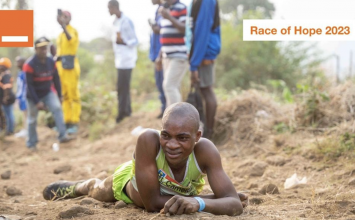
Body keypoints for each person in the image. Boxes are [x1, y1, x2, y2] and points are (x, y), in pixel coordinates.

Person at [43, 102, 248, 216]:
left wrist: (199, 202)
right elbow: (152, 204)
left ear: (197, 137)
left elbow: (234, 205)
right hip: (131, 187)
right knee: (97, 190)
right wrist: (212, 200)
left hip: (179, 195)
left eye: (183, 138)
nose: (172, 144)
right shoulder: (149, 141)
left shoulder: (205, 151)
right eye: (166, 135)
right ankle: (79, 186)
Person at [24, 37, 73, 149]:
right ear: (36, 49)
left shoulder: (51, 62)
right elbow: (29, 86)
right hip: (33, 95)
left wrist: (60, 95)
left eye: (45, 48)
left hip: (47, 92)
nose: (44, 50)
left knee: (57, 108)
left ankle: (63, 136)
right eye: (41, 48)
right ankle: (31, 143)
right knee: (32, 119)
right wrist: (37, 102)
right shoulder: (29, 64)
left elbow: (56, 79)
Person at [187, 0, 221, 139]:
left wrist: (194, 64)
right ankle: (203, 129)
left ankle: (209, 133)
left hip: (204, 52)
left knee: (207, 90)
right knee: (202, 90)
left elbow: (202, 31)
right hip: (199, 52)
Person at [108, 0, 138, 123]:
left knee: (122, 87)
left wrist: (124, 42)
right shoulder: (115, 22)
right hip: (119, 59)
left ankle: (122, 114)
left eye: (109, 8)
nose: (108, 11)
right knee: (123, 86)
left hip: (127, 59)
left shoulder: (127, 21)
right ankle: (127, 111)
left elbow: (135, 40)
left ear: (115, 8)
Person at [156, 0, 188, 107]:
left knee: (169, 86)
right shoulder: (165, 9)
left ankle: (175, 118)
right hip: (167, 56)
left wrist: (169, 17)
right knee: (172, 88)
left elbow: (185, 29)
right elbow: (164, 36)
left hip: (179, 55)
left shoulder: (182, 7)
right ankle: (172, 120)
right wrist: (160, 56)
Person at [56, 10, 81, 134]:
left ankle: (74, 122)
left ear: (69, 18)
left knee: (73, 95)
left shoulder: (71, 31)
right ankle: (66, 122)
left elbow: (71, 39)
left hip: (70, 67)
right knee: (64, 95)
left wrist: (64, 26)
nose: (63, 19)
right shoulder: (60, 35)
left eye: (65, 17)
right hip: (61, 68)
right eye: (62, 17)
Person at [149, 0, 166, 119]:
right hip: (157, 54)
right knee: (160, 83)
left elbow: (161, 29)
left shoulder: (164, 9)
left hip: (163, 54)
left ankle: (167, 110)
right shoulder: (158, 10)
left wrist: (153, 26)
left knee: (165, 84)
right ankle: (164, 109)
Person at [0, 58, 15, 136]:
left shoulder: (6, 75)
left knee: (8, 114)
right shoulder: (5, 74)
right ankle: (9, 129)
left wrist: (5, 98)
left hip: (7, 99)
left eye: (1, 65)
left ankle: (10, 130)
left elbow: (7, 87)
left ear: (5, 66)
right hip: (6, 98)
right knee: (8, 114)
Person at [14, 56, 28, 138]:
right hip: (21, 98)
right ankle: (25, 130)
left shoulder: (26, 73)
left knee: (27, 115)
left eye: (18, 62)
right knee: (24, 114)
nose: (17, 64)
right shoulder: (20, 73)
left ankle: (27, 131)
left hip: (25, 97)